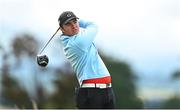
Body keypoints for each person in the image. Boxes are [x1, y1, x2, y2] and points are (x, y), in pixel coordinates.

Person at [58, 11, 115, 109]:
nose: (74, 26)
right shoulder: (76, 43)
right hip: (92, 93)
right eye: (68, 24)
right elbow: (93, 25)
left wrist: (73, 21)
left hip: (105, 90)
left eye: (75, 21)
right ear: (62, 29)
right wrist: (80, 22)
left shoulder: (75, 39)